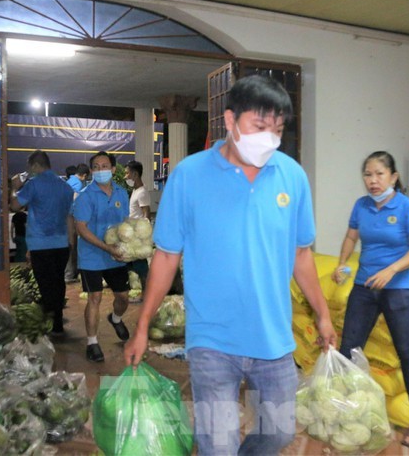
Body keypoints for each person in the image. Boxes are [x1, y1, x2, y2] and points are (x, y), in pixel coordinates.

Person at [124, 75, 337, 455]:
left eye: (278, 128)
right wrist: (142, 327)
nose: (269, 137)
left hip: (272, 339)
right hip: (213, 342)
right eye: (260, 126)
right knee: (217, 445)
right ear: (230, 120)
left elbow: (301, 254)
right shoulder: (189, 176)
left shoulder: (292, 175)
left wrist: (322, 314)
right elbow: (167, 256)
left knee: (278, 433)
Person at [331, 151, 409, 449]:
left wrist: (392, 270)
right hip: (364, 288)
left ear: (393, 177)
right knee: (348, 348)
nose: (373, 181)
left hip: (398, 290)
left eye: (379, 174)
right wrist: (342, 263)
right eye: (368, 175)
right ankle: (345, 412)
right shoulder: (362, 206)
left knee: (407, 352)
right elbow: (351, 237)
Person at [72, 151, 131, 362]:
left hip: (115, 256)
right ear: (90, 171)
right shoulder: (85, 196)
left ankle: (116, 319)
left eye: (104, 166)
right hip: (91, 256)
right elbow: (81, 229)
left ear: (113, 170)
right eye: (95, 167)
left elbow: (126, 223)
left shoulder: (122, 193)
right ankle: (92, 343)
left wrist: (129, 246)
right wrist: (106, 247)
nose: (100, 170)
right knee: (94, 298)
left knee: (123, 297)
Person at [10, 150, 74, 334]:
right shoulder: (66, 187)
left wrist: (14, 188)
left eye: (30, 167)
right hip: (61, 243)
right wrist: (71, 242)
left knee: (45, 283)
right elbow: (69, 216)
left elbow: (14, 205)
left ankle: (49, 319)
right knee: (58, 282)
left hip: (40, 244)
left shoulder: (34, 184)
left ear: (36, 165)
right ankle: (58, 321)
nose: (30, 171)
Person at [124, 160, 150, 295]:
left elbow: (146, 213)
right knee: (130, 263)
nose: (126, 176)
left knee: (141, 266)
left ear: (135, 174)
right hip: (131, 233)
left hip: (138, 235)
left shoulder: (142, 192)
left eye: (127, 173)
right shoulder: (135, 190)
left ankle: (147, 294)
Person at [65, 164, 92, 282]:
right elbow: (76, 200)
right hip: (70, 217)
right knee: (72, 244)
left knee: (70, 245)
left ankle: (71, 273)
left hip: (64, 216)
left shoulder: (70, 180)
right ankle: (69, 274)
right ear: (84, 175)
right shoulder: (78, 184)